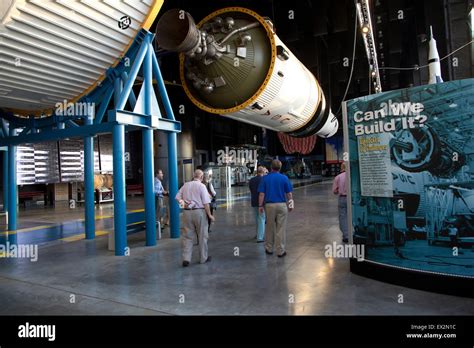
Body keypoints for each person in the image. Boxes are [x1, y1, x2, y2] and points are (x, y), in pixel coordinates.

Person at [175, 169, 215, 267]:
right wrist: (209, 215)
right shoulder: (202, 186)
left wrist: (184, 203)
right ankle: (203, 258)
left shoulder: (185, 185)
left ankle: (186, 259)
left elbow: (177, 197)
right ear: (201, 177)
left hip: (187, 212)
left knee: (187, 236)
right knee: (202, 235)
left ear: (193, 176)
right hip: (199, 212)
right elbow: (206, 203)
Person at [258, 160, 293, 257]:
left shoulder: (265, 178)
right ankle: (280, 251)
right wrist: (290, 204)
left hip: (269, 206)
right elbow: (289, 193)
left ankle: (269, 249)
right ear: (280, 168)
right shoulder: (284, 178)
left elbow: (261, 194)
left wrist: (260, 206)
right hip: (282, 205)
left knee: (269, 227)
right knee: (281, 228)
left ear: (271, 167)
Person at [249, 166, 266, 242]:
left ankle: (257, 234)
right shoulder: (264, 179)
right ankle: (260, 237)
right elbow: (263, 193)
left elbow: (251, 190)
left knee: (257, 219)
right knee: (262, 219)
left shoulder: (251, 180)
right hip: (261, 203)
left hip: (253, 201)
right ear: (263, 172)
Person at [333, 163, 348, 243]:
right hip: (352, 199)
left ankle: (346, 236)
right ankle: (353, 233)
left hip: (342, 198)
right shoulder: (352, 176)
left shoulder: (338, 177)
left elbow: (335, 191)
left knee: (343, 217)